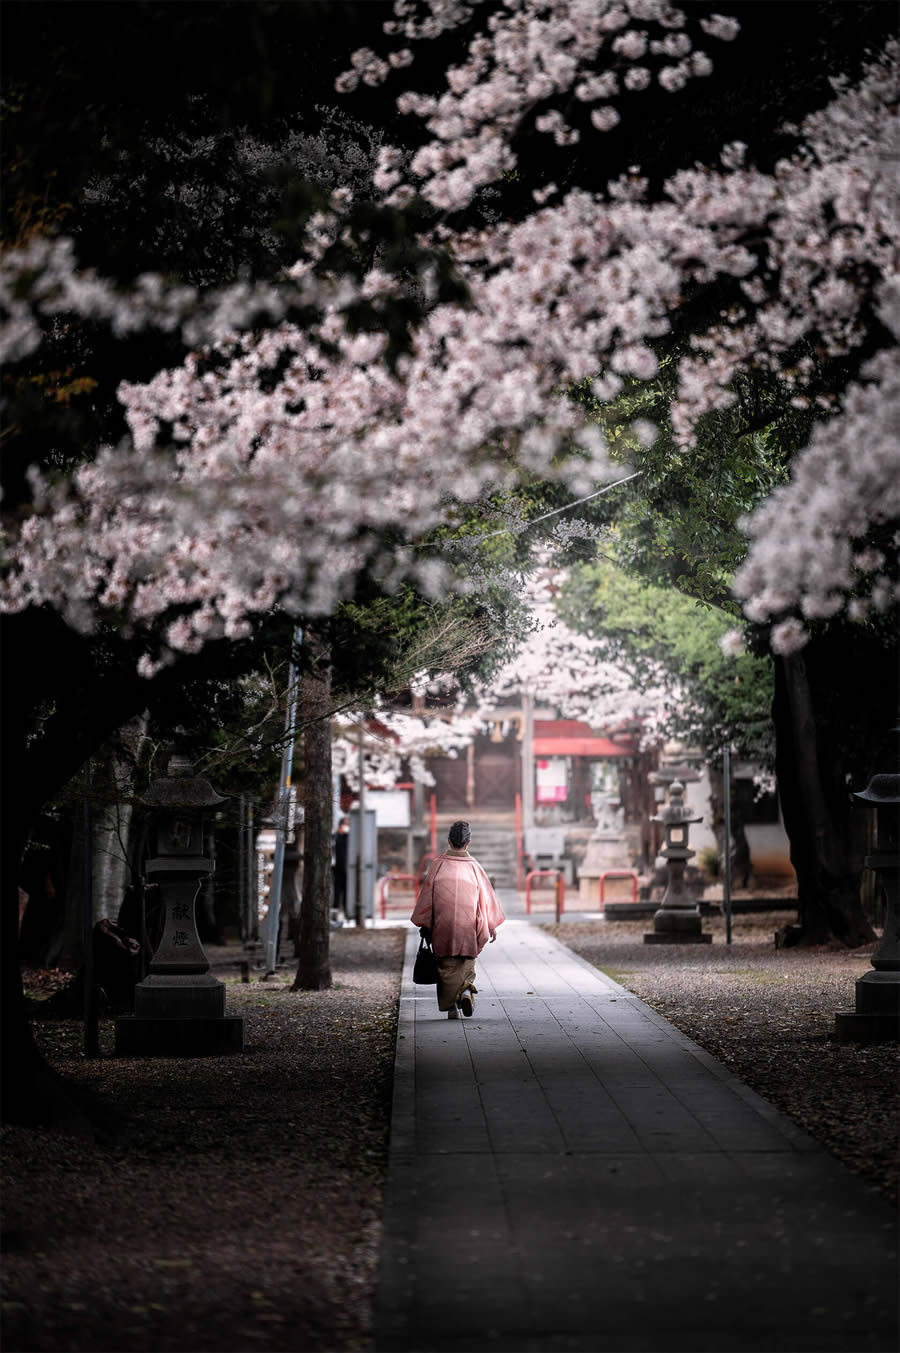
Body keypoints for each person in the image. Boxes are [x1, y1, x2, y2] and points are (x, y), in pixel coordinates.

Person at [410, 820, 505, 1019]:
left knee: (445, 965)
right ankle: (466, 991)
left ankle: (451, 1006)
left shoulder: (438, 865)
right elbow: (486, 900)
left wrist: (425, 923)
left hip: (443, 926)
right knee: (466, 961)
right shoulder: (474, 868)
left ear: (448, 841)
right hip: (468, 925)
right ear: (468, 842)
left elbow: (427, 898)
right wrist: (490, 925)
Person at [333, 815, 350, 924]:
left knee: (346, 893)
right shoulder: (337, 837)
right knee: (337, 893)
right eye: (345, 824)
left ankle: (346, 914)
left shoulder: (349, 838)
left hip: (347, 870)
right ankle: (335, 913)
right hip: (338, 869)